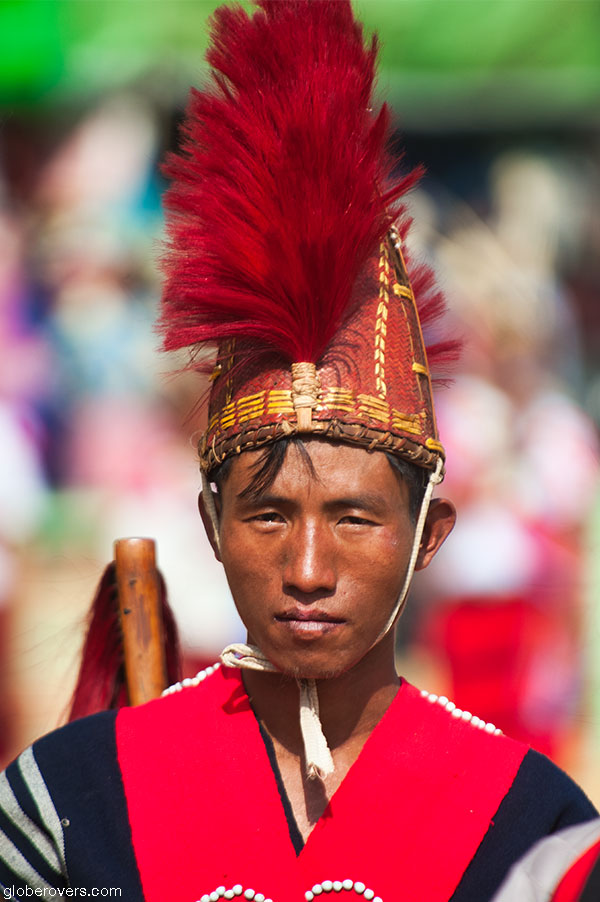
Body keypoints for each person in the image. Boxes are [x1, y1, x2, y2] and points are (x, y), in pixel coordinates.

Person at [0, 2, 596, 901]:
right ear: (209, 524)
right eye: (268, 514)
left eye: (355, 518)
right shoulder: (66, 805)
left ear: (429, 535)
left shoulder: (535, 833)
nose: (306, 568)